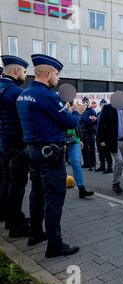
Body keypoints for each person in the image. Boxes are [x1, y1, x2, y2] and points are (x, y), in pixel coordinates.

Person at [16, 54, 81, 257]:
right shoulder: (48, 96)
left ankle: (35, 233)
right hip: (50, 154)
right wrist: (77, 112)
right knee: (54, 198)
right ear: (47, 74)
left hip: (32, 151)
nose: (58, 79)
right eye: (56, 74)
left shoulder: (23, 95)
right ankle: (55, 244)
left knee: (37, 193)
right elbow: (70, 122)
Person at [0, 55, 30, 238]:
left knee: (6, 181)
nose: (25, 76)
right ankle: (15, 223)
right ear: (17, 71)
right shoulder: (15, 92)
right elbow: (25, 120)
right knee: (17, 184)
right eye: (25, 72)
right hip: (16, 145)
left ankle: (6, 214)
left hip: (3, 142)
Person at [97, 96, 123, 194]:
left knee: (121, 162)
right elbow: (100, 125)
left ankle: (117, 181)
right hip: (112, 141)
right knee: (119, 160)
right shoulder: (107, 108)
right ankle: (115, 183)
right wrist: (100, 139)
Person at [65, 103, 95, 199]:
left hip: (75, 140)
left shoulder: (73, 108)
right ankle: (58, 188)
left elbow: (77, 125)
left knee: (77, 163)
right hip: (62, 139)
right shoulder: (58, 105)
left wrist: (80, 139)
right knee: (59, 165)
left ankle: (82, 189)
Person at [95, 99, 113, 173]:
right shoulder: (99, 113)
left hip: (105, 136)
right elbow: (98, 124)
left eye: (104, 104)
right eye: (101, 104)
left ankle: (109, 167)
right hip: (99, 135)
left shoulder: (109, 113)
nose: (103, 105)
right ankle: (102, 166)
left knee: (106, 152)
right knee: (100, 151)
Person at [80, 97, 97, 171]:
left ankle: (92, 164)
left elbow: (90, 121)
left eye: (87, 102)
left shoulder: (91, 111)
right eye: (84, 102)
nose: (85, 103)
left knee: (91, 149)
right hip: (83, 131)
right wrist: (85, 119)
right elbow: (80, 120)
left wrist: (84, 119)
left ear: (89, 103)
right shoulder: (82, 111)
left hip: (90, 131)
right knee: (84, 148)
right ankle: (86, 163)